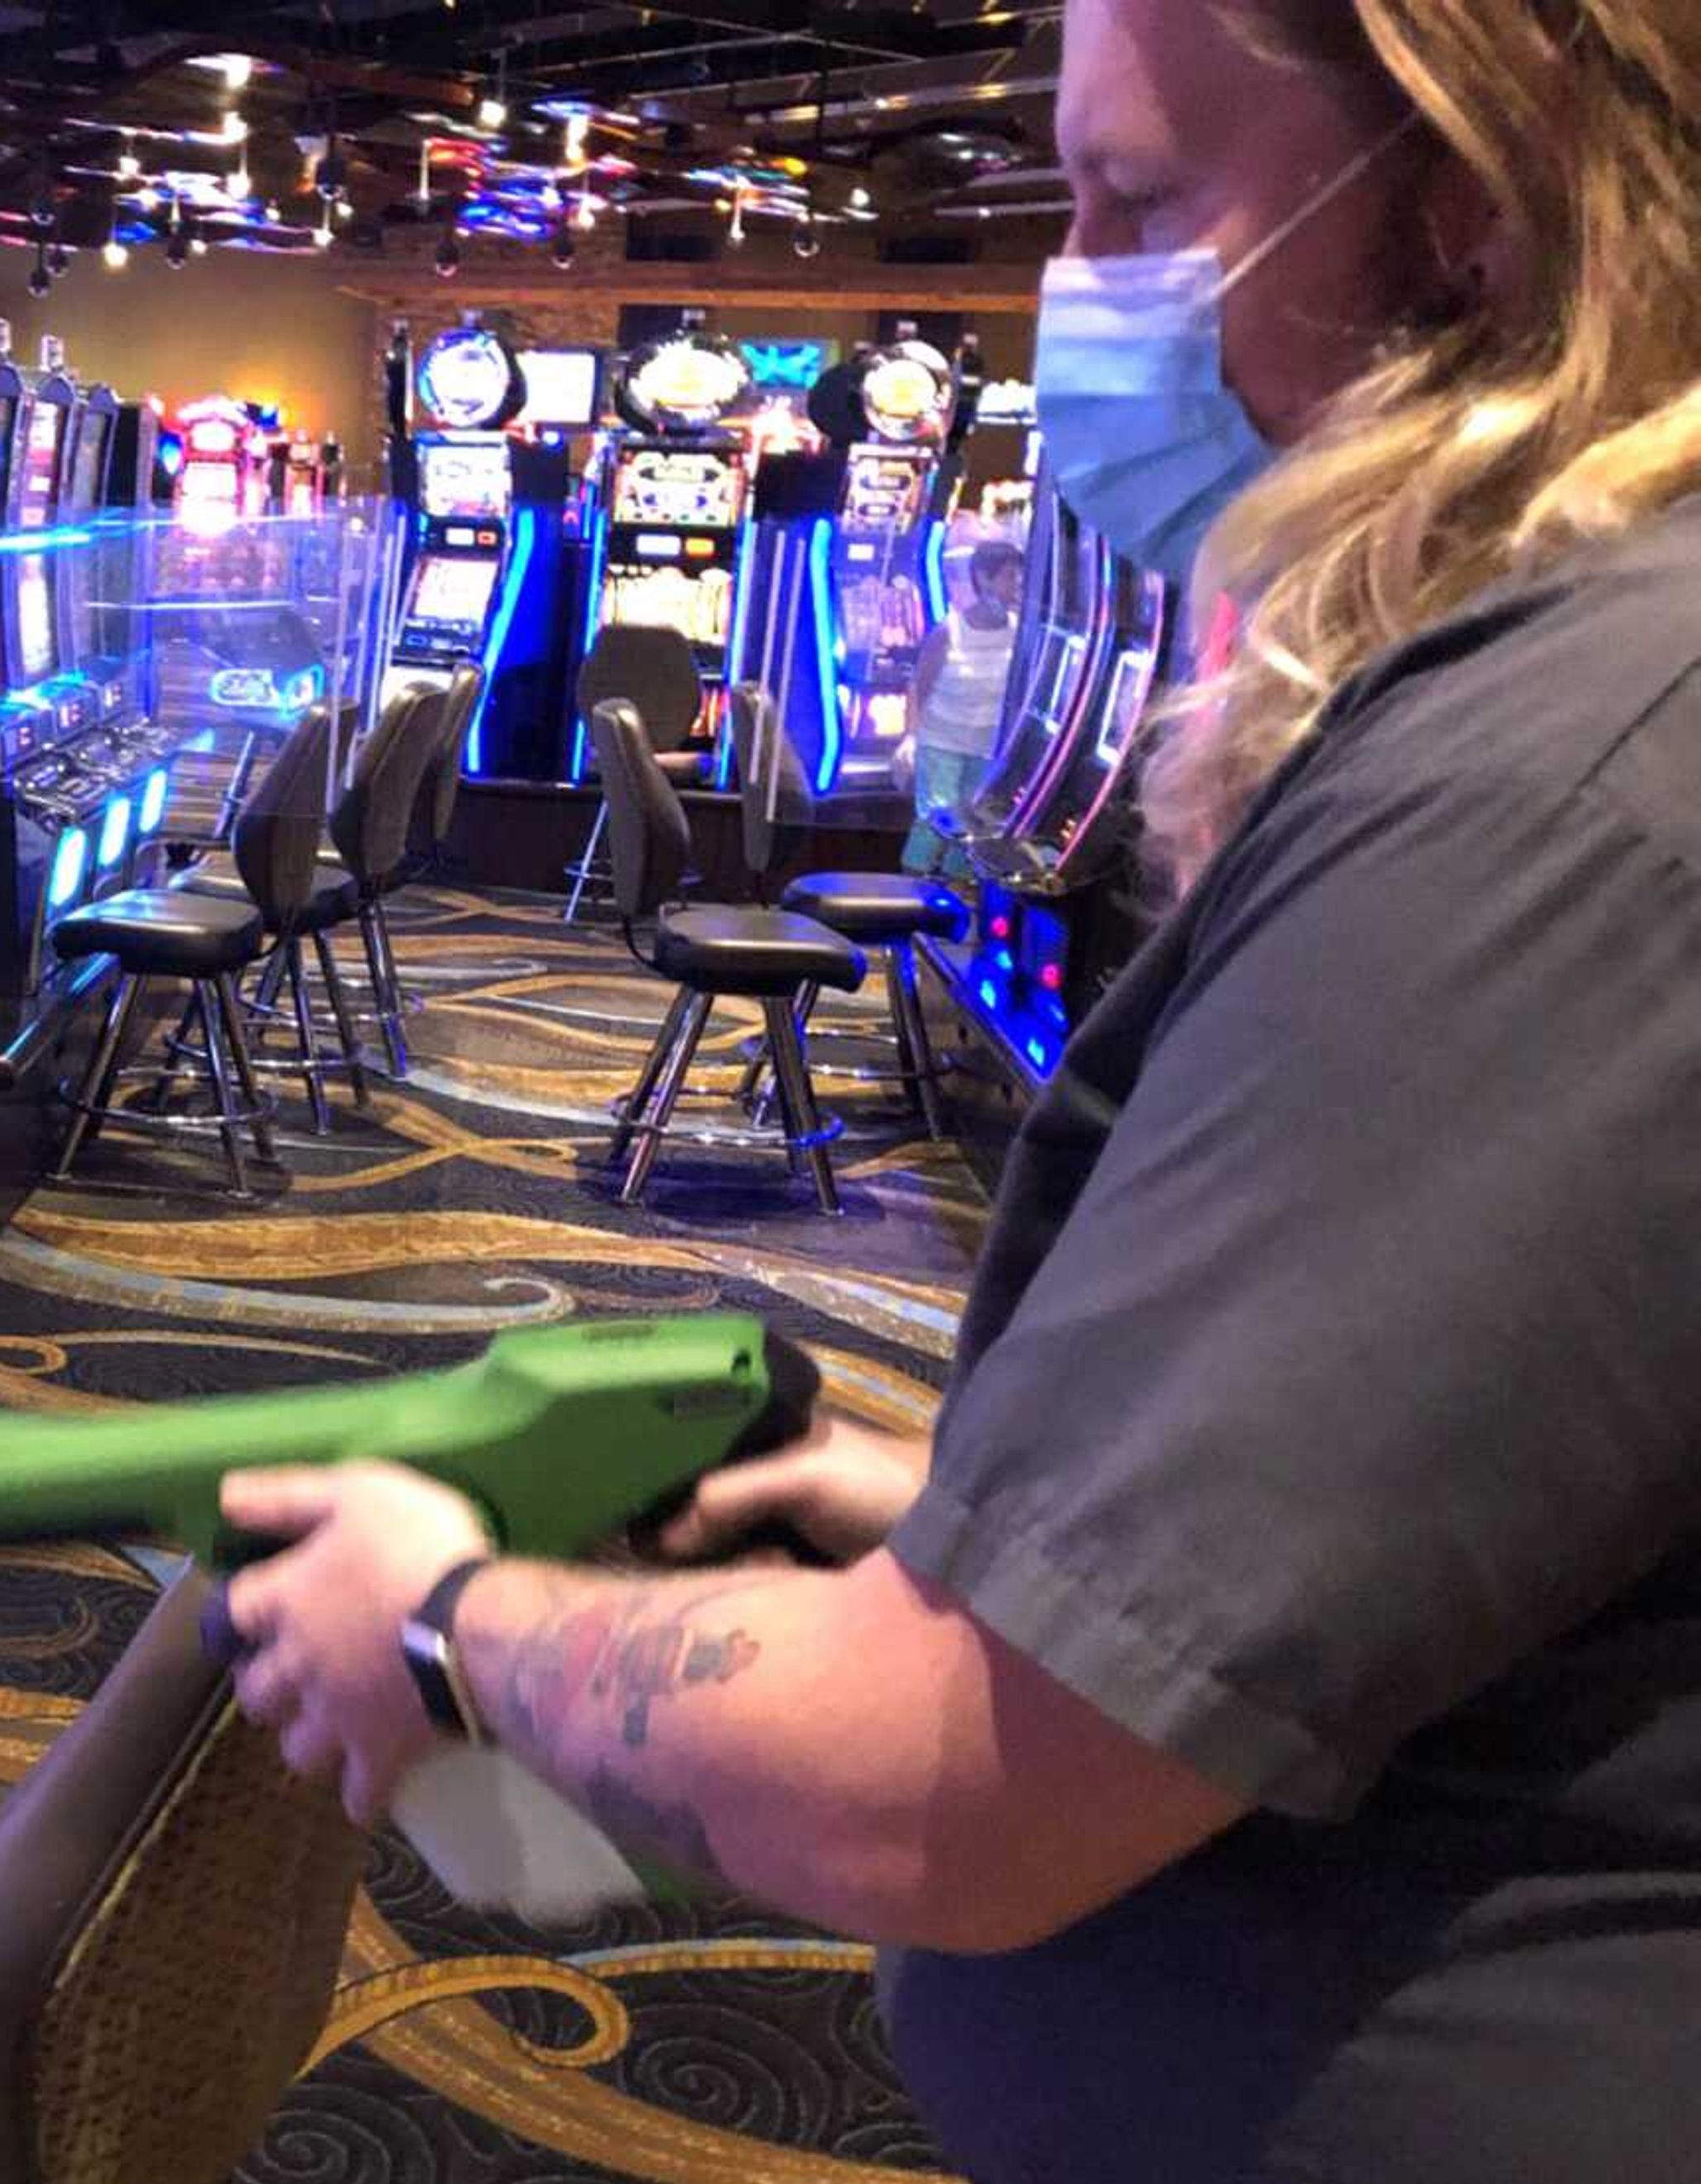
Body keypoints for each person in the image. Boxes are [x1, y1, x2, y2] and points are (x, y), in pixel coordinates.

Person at [212, 6, 1701, 2182]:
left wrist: (448, 1619)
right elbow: (1486, 1513)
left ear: (1481, 201)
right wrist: (992, 1522)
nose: (1062, 290)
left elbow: (948, 1784)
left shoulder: (1550, 791)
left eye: (1142, 201)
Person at [898, 540, 1023, 879]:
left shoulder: (1019, 632)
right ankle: (912, 887)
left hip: (987, 743)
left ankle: (955, 895)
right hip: (942, 739)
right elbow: (918, 686)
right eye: (1011, 577)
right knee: (937, 815)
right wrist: (910, 737)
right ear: (983, 578)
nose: (1019, 585)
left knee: (974, 823)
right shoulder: (949, 631)